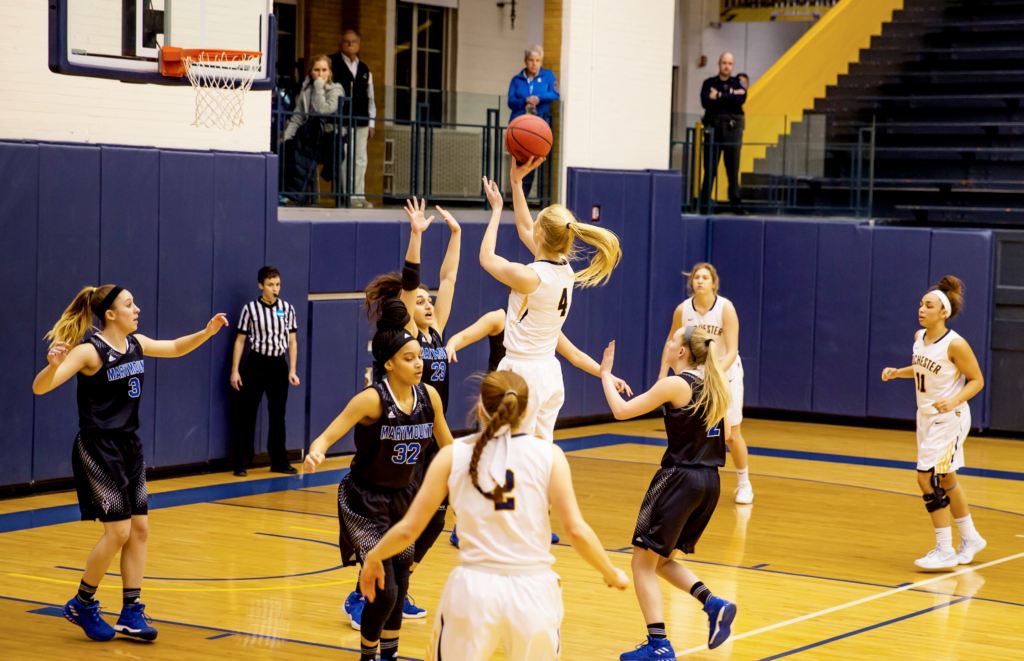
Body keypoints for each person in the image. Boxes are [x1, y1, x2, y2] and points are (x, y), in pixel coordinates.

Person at [358, 370, 630, 661]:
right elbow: (575, 530)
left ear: (479, 406)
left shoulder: (453, 455)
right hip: (534, 591)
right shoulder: (550, 455)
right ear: (526, 410)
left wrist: (374, 558)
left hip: (474, 589)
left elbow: (409, 530)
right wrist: (610, 572)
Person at [32, 285, 228, 642]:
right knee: (118, 531)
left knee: (139, 530)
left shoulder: (135, 343)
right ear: (110, 314)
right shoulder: (89, 351)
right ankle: (82, 602)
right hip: (98, 448)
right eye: (128, 304)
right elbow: (40, 388)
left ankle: (131, 611)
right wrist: (53, 367)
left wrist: (206, 332)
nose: (136, 309)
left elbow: (173, 348)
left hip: (129, 448)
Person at [304, 296, 453, 661]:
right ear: (388, 363)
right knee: (384, 591)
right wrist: (317, 450)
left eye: (419, 356)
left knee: (399, 588)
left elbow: (449, 447)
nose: (419, 363)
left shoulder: (428, 396)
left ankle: (389, 655)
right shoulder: (372, 400)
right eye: (409, 358)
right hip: (364, 501)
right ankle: (368, 656)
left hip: (404, 498)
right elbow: (329, 433)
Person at [350, 198, 462, 623]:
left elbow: (449, 276)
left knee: (434, 521)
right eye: (421, 301)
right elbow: (412, 281)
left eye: (431, 300)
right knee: (412, 518)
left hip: (432, 438)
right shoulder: (408, 336)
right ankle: (366, 592)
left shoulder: (436, 331)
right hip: (407, 436)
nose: (428, 303)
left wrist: (456, 235)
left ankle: (400, 584)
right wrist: (416, 236)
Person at [442, 305, 633, 548]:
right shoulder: (500, 317)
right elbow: (467, 334)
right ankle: (464, 523)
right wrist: (452, 344)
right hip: (498, 401)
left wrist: (605, 374)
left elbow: (574, 355)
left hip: (532, 394)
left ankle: (532, 520)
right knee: (491, 461)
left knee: (535, 459)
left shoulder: (545, 322)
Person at [600, 329, 737, 660]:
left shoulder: (677, 384)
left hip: (678, 479)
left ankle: (659, 645)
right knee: (662, 562)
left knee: (642, 564)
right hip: (710, 483)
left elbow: (621, 411)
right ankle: (713, 603)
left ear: (682, 352)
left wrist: (605, 374)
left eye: (673, 340)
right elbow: (730, 435)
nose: (668, 343)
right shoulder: (719, 386)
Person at [479, 166, 622, 441]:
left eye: (537, 223)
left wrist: (497, 208)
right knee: (539, 457)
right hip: (548, 372)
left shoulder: (530, 277)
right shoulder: (565, 270)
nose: (531, 226)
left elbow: (486, 257)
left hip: (521, 372)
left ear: (542, 234)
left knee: (508, 454)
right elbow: (524, 229)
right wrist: (515, 183)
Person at [881, 276, 987, 570]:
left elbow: (977, 380)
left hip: (949, 418)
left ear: (944, 312)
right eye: (921, 304)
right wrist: (896, 372)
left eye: (929, 306)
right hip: (925, 417)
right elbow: (921, 368)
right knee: (948, 479)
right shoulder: (919, 337)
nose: (922, 309)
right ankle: (971, 538)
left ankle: (944, 550)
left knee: (927, 478)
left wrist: (953, 401)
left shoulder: (956, 344)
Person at [659, 263, 753, 503]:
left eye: (705, 277)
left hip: (725, 374)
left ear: (714, 283)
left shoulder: (725, 308)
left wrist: (713, 375)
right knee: (694, 430)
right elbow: (670, 342)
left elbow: (732, 351)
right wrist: (662, 376)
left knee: (731, 434)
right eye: (696, 277)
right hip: (695, 377)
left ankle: (744, 483)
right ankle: (690, 482)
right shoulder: (683, 310)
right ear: (692, 282)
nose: (700, 281)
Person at [230, 266, 300, 477]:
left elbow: (293, 342)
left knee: (278, 414)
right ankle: (241, 462)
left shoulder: (287, 308)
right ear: (261, 285)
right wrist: (235, 370)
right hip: (256, 364)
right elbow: (240, 341)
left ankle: (279, 460)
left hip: (279, 364)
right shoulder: (249, 309)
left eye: (277, 284)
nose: (275, 288)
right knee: (247, 414)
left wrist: (293, 370)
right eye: (270, 285)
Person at [281, 55, 345, 203]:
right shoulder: (306, 91)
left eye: (324, 70)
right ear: (311, 72)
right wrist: (287, 137)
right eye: (316, 70)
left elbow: (322, 109)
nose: (320, 74)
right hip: (308, 138)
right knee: (286, 148)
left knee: (300, 151)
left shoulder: (336, 90)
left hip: (328, 140)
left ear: (330, 72)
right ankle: (287, 194)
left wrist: (318, 88)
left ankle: (300, 196)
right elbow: (297, 117)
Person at [332, 30, 377, 209]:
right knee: (346, 158)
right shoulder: (332, 63)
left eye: (354, 41)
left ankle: (359, 195)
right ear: (340, 43)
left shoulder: (364, 68)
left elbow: (371, 97)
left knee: (360, 159)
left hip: (361, 120)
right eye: (346, 41)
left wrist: (372, 122)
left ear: (359, 44)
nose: (350, 44)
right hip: (342, 120)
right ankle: (348, 195)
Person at [507, 46, 559, 198]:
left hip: (538, 130)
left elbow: (555, 93)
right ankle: (515, 196)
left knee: (534, 163)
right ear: (525, 61)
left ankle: (527, 198)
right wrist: (525, 101)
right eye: (531, 60)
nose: (534, 64)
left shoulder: (548, 75)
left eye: (537, 60)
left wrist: (538, 98)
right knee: (517, 163)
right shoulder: (517, 80)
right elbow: (511, 101)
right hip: (519, 129)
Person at [699, 52, 746, 209]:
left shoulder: (738, 83)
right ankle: (705, 202)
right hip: (713, 132)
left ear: (733, 65)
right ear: (719, 63)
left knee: (733, 169)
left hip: (733, 133)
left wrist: (719, 95)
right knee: (710, 168)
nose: (727, 66)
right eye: (724, 62)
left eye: (730, 63)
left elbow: (741, 99)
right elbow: (706, 102)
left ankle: (735, 202)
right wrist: (730, 96)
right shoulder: (709, 83)